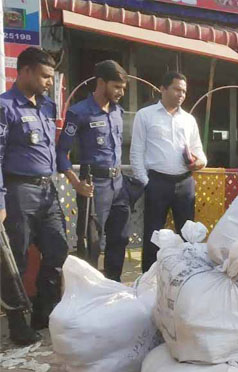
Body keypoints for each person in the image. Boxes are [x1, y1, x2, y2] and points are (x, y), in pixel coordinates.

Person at [0, 47, 67, 345]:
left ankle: (44, 311)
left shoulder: (47, 106)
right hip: (18, 191)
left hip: (47, 191)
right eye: (44, 76)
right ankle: (17, 323)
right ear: (24, 71)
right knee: (16, 259)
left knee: (57, 250)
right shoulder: (5, 107)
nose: (49, 82)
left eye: (51, 77)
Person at [57, 60, 132, 281]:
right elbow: (62, 153)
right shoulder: (79, 112)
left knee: (120, 238)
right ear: (101, 82)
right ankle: (88, 291)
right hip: (93, 186)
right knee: (91, 243)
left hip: (118, 185)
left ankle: (113, 285)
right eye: (116, 87)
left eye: (123, 89)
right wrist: (76, 184)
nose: (120, 92)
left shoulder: (118, 111)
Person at [130, 71, 207, 272]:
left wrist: (198, 164)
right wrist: (146, 182)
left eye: (184, 91)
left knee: (188, 235)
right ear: (162, 89)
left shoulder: (189, 120)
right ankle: (148, 278)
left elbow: (200, 154)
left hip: (185, 183)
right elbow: (136, 152)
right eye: (177, 89)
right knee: (153, 235)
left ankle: (186, 276)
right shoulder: (145, 115)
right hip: (157, 182)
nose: (181, 94)